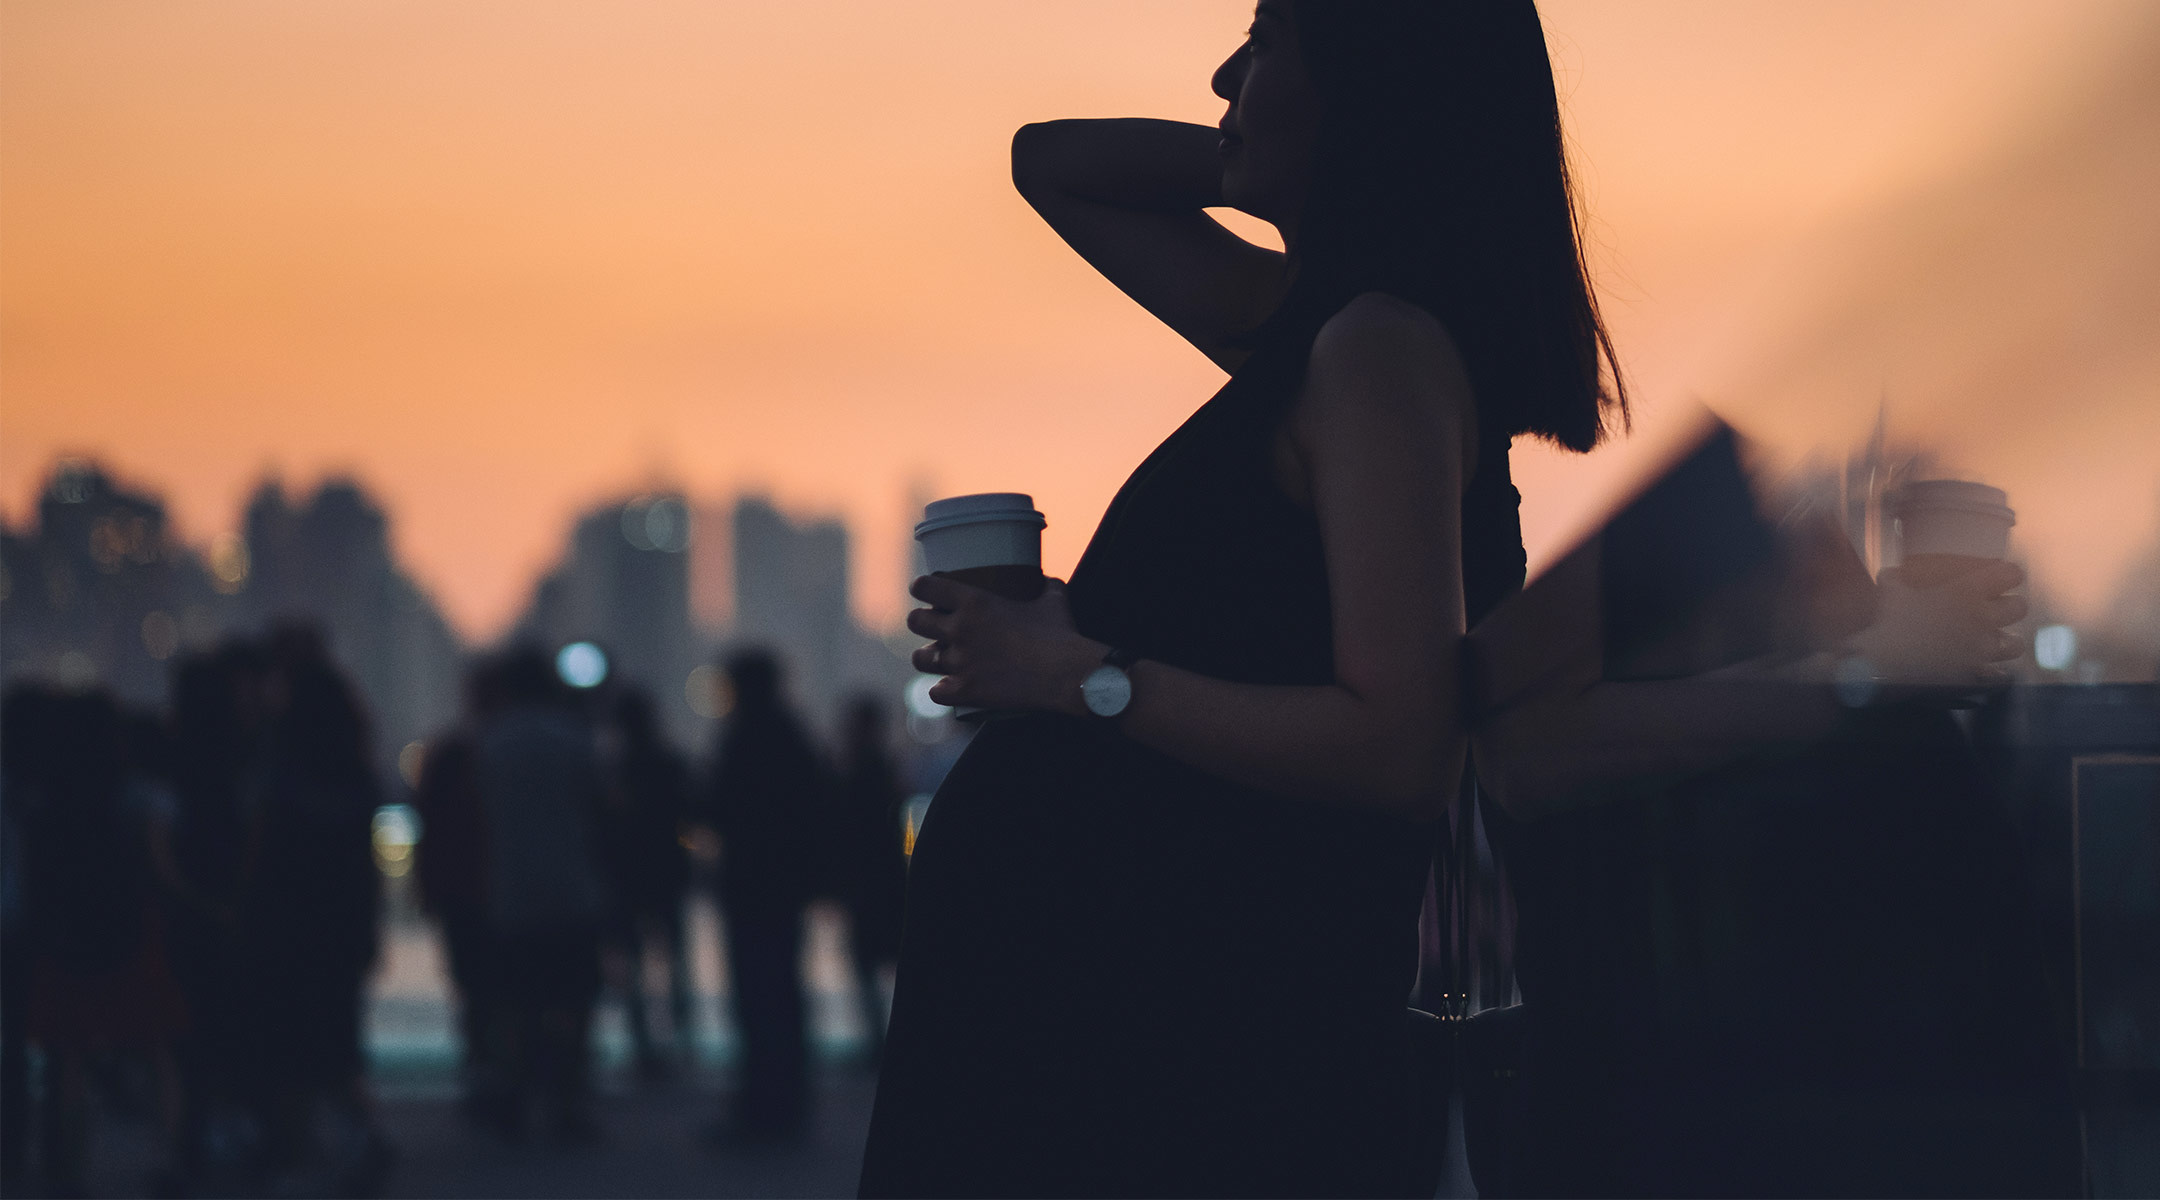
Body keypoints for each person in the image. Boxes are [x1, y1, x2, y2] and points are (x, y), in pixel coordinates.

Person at [860, 2, 1623, 1193]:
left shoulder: (1376, 353)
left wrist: (1074, 674)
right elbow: (1050, 162)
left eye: (1264, 43)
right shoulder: (1310, 328)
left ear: (1364, 86)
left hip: (1178, 1042)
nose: (1221, 71)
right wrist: (1261, 148)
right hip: (1138, 1020)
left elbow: (1397, 745)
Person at [472, 645, 609, 1143]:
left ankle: (514, 1096)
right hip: (572, 890)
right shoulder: (573, 739)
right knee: (570, 1003)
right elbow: (599, 809)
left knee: (516, 1005)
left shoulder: (490, 744)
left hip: (512, 895)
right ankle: (567, 1102)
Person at [704, 648, 825, 1142]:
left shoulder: (740, 738)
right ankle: (787, 1104)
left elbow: (713, 805)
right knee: (784, 996)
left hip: (749, 888)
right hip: (784, 890)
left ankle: (760, 1107)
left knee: (756, 1000)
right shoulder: (793, 736)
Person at [598, 687, 696, 1075]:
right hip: (666, 875)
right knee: (673, 961)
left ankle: (644, 1047)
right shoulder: (670, 763)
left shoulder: (615, 769)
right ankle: (681, 1041)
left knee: (633, 966)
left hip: (627, 878)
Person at [831, 696, 908, 1066]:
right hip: (885, 882)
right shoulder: (884, 769)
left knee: (870, 966)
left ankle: (880, 1041)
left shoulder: (862, 771)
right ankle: (887, 1040)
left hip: (870, 886)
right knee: (887, 965)